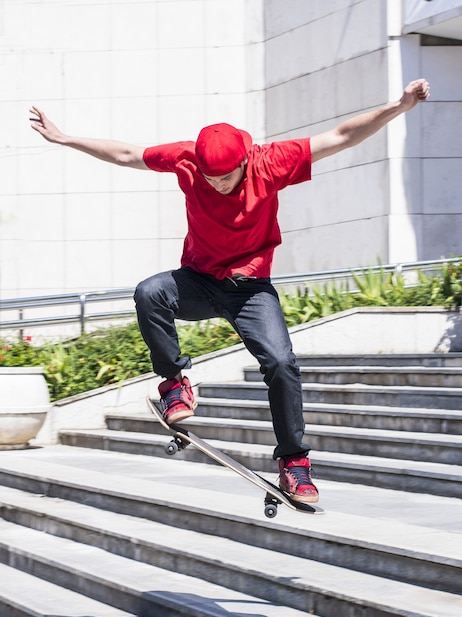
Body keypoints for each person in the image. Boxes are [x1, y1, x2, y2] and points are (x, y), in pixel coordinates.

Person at [30, 78, 430, 503]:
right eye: (210, 176)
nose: (218, 183)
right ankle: (174, 385)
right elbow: (128, 154)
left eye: (226, 176)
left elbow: (341, 136)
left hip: (251, 290)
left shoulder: (272, 162)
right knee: (150, 292)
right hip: (199, 281)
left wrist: (399, 106)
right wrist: (66, 138)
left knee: (280, 363)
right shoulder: (186, 159)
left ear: (244, 161)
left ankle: (294, 464)